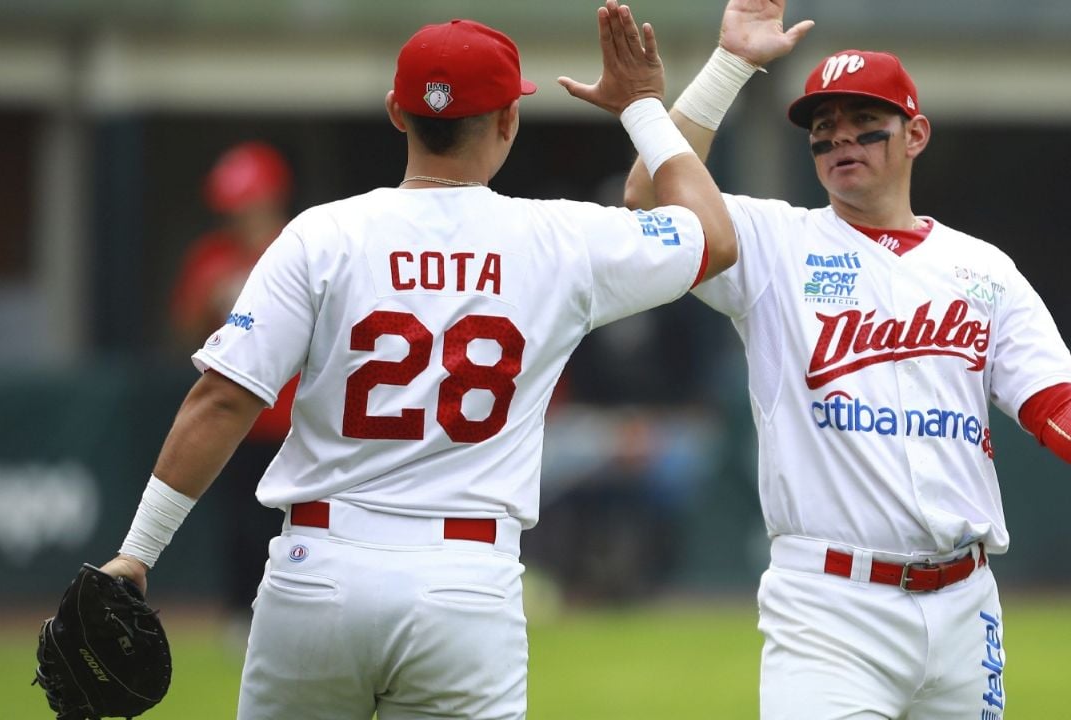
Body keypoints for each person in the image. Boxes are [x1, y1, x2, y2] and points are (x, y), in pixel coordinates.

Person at [98, 3, 735, 718]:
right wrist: (643, 108)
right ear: (507, 121)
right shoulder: (561, 238)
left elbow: (222, 399)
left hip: (318, 568)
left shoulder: (321, 234)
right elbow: (713, 234)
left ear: (397, 113)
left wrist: (137, 553)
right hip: (463, 582)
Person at [625, 1, 1071, 717]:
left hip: (966, 606)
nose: (841, 139)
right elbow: (649, 196)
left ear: (916, 134)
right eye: (822, 130)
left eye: (863, 123)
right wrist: (731, 65)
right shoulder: (773, 242)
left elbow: (1055, 408)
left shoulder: (982, 268)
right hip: (828, 608)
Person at [169, 140, 300, 629]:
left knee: (290, 522)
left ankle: (287, 611)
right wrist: (212, 294)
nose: (243, 215)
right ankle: (236, 612)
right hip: (235, 417)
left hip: (294, 415)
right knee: (236, 524)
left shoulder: (298, 243)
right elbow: (184, 333)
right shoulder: (211, 257)